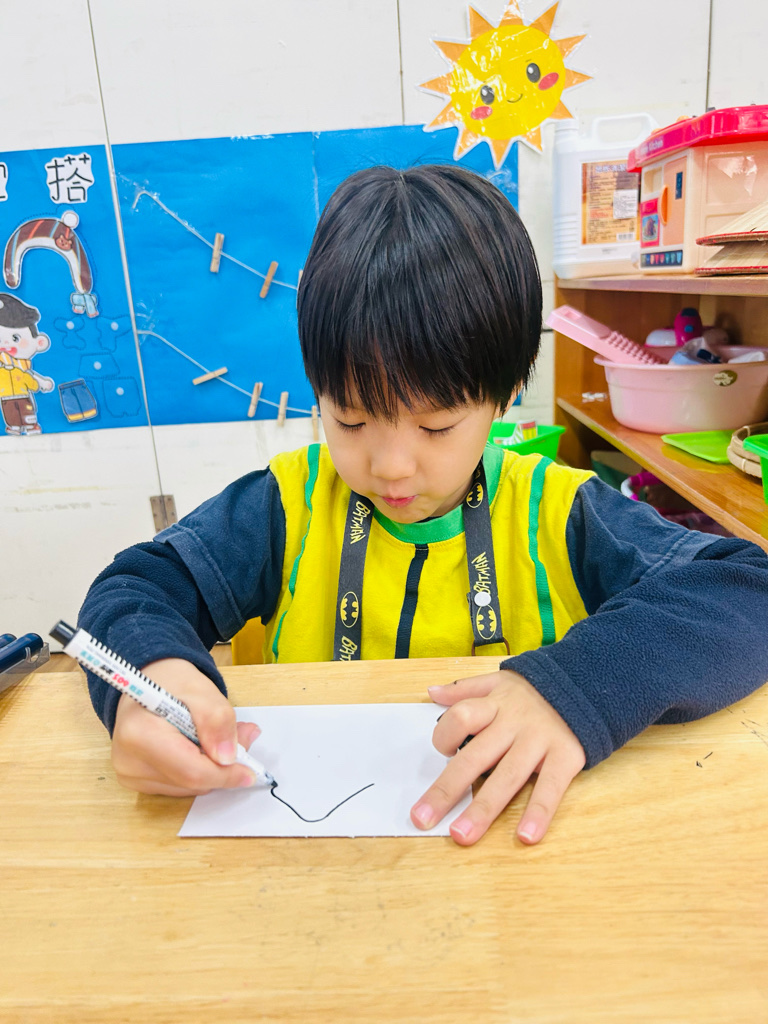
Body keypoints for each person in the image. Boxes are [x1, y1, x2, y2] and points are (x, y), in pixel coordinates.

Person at [79, 164, 768, 846]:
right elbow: (135, 588)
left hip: (507, 855)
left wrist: (575, 689)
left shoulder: (558, 512)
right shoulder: (286, 505)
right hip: (302, 860)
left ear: (504, 395)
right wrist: (152, 679)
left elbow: (747, 588)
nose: (390, 466)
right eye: (350, 420)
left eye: (436, 426)